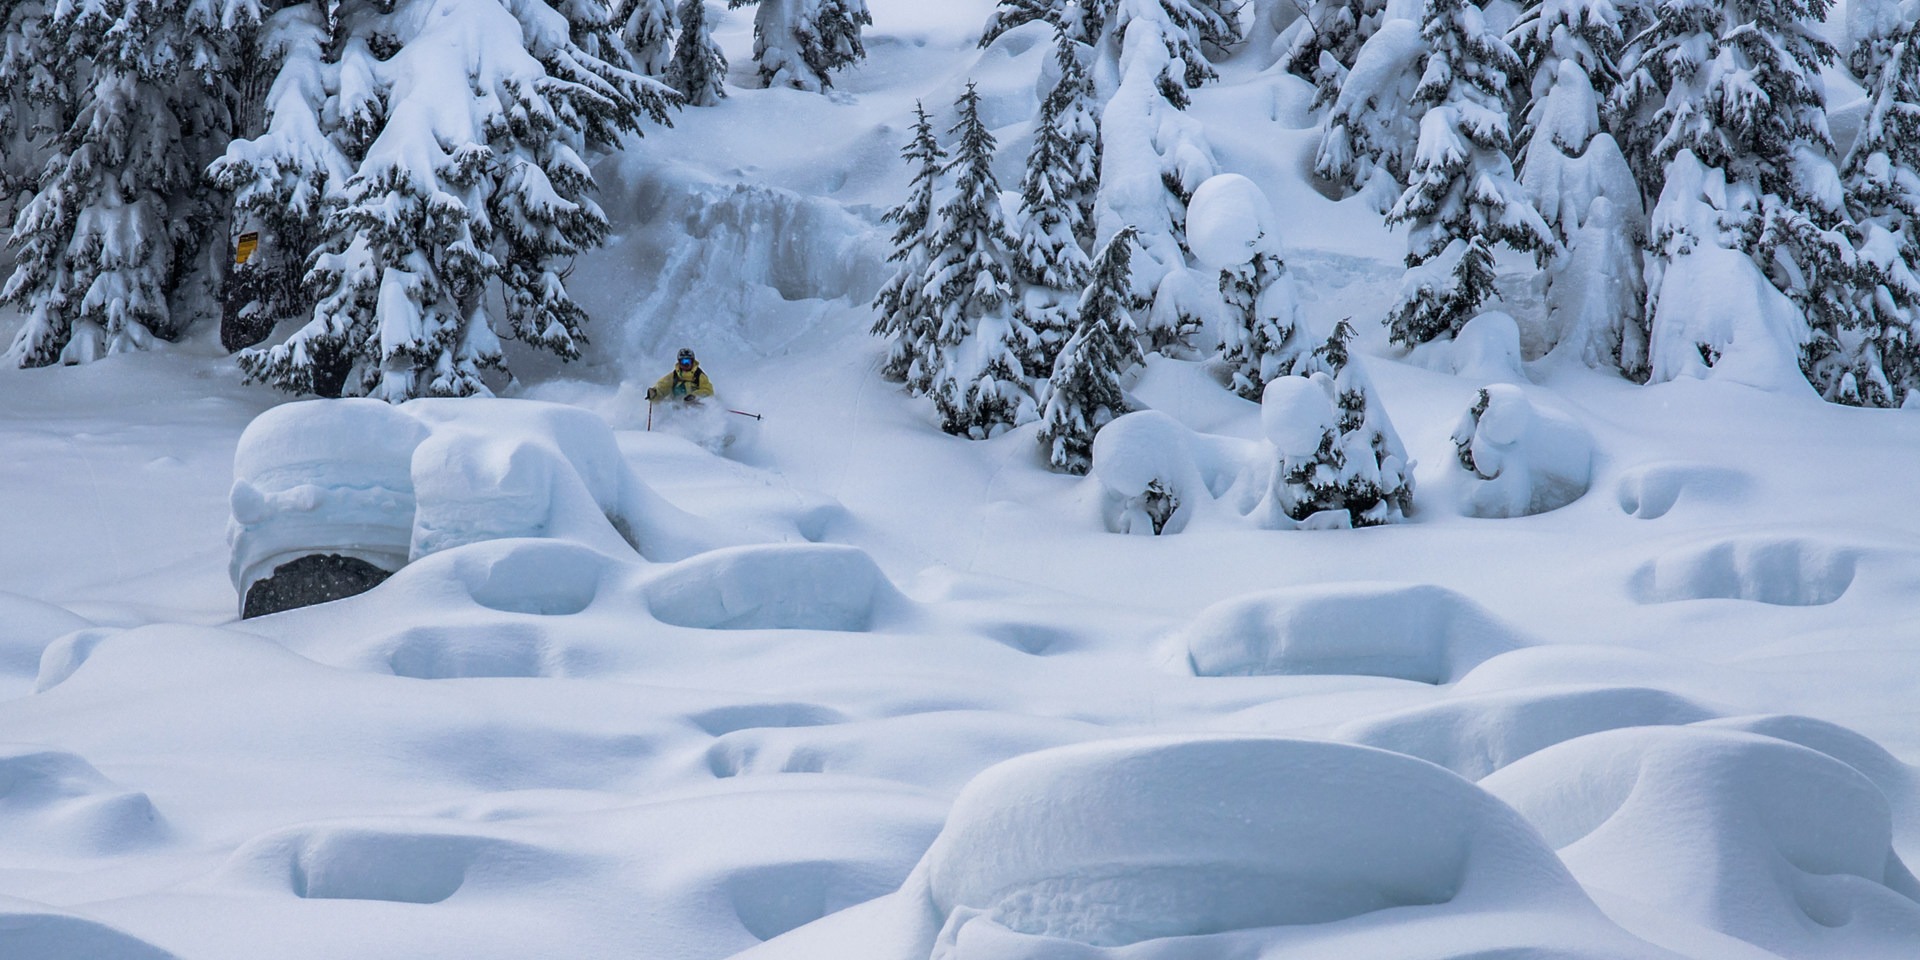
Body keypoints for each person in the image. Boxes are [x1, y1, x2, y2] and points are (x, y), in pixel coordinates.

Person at [647, 347, 715, 403]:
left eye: (688, 361)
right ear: (679, 362)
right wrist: (654, 394)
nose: (686, 364)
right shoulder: (674, 376)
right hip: (677, 408)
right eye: (683, 361)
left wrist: (694, 396)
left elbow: (708, 391)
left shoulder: (699, 375)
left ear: (692, 361)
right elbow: (662, 387)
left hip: (695, 408)